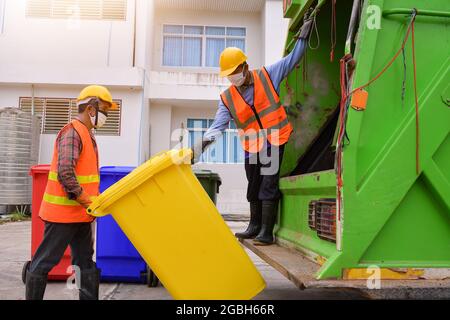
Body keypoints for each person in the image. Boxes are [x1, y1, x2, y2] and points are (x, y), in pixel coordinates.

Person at [192, 18, 313, 246]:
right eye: (229, 74)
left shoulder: (268, 75)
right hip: (251, 147)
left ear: (245, 67)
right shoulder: (227, 98)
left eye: (235, 71)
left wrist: (303, 38)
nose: (233, 77)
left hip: (275, 139)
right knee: (253, 185)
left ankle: (267, 231)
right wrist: (197, 148)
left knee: (268, 182)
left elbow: (292, 60)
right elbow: (217, 128)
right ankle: (254, 225)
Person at [25, 85, 118, 300]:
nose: (106, 115)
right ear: (91, 109)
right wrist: (87, 201)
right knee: (45, 261)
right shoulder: (73, 132)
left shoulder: (87, 134)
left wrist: (90, 205)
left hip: (81, 215)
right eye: (104, 109)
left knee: (85, 263)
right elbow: (66, 172)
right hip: (63, 216)